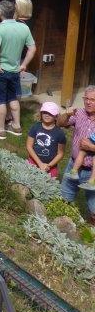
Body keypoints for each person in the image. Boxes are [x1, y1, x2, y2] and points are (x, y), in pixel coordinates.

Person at [0, 0, 36, 140]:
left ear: (0, 12)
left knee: (0, 100)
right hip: (15, 70)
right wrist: (24, 64)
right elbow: (32, 48)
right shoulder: (24, 28)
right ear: (14, 12)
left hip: (0, 71)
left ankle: (0, 130)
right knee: (13, 98)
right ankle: (16, 126)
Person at [58, 87, 95, 223]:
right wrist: (66, 114)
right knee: (64, 200)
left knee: (94, 208)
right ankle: (64, 225)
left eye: (93, 100)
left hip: (93, 171)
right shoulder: (78, 113)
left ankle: (91, 235)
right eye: (86, 99)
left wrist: (91, 147)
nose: (88, 102)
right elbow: (60, 123)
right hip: (74, 166)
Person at [26, 101, 66, 177]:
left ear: (56, 116)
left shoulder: (60, 133)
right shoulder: (35, 127)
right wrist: (39, 163)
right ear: (41, 113)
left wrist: (49, 166)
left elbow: (60, 153)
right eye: (44, 112)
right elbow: (29, 146)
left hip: (51, 167)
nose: (47, 115)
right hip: (33, 162)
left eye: (50, 113)